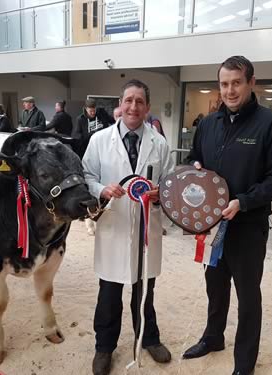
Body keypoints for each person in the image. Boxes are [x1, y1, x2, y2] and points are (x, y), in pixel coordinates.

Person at [183, 56, 272, 375]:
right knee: (215, 286)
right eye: (224, 83)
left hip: (247, 224)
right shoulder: (208, 123)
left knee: (248, 296)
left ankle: (244, 363)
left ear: (251, 83)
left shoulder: (271, 125)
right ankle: (213, 337)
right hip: (213, 225)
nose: (229, 90)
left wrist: (243, 202)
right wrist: (194, 170)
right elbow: (195, 159)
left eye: (236, 83)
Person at [83, 79, 174, 375]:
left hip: (146, 229)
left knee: (144, 290)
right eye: (128, 101)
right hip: (114, 226)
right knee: (108, 295)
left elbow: (169, 182)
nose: (133, 106)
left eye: (139, 101)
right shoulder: (99, 140)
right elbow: (86, 175)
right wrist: (102, 189)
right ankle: (104, 347)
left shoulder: (159, 143)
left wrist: (161, 193)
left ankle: (149, 338)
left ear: (147, 108)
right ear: (119, 106)